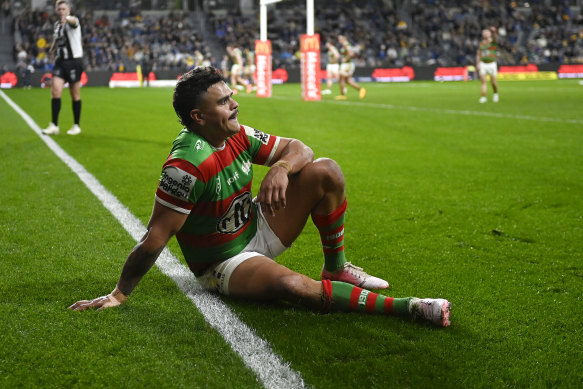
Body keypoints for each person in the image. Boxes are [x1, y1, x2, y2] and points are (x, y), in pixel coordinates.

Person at [68, 66, 451, 327]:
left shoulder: (237, 133)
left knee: (326, 171)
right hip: (224, 262)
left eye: (231, 96)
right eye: (223, 102)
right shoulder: (185, 166)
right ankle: (412, 309)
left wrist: (281, 169)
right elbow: (154, 239)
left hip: (258, 223)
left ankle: (336, 266)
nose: (234, 104)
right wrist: (119, 294)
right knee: (292, 287)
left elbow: (300, 148)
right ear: (198, 117)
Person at [42, 0, 84, 136]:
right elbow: (56, 38)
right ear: (56, 10)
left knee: (75, 94)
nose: (61, 11)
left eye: (64, 9)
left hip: (74, 61)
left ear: (69, 10)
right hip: (60, 62)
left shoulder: (73, 21)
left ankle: (76, 125)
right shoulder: (56, 25)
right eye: (59, 9)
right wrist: (52, 49)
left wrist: (68, 18)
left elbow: (73, 22)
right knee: (55, 91)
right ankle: (54, 125)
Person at [335, 35, 366, 100]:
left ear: (343, 39)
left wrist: (345, 59)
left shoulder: (346, 44)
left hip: (346, 64)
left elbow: (351, 54)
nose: (339, 41)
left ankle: (342, 95)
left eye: (340, 39)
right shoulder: (345, 45)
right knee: (348, 80)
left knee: (341, 79)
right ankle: (361, 89)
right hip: (348, 64)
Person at [476, 27, 499, 104]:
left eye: (487, 32)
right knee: (483, 81)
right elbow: (478, 54)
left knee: (493, 82)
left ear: (490, 34)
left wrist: (494, 31)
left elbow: (495, 37)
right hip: (483, 63)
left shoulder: (493, 42)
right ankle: (483, 97)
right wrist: (478, 63)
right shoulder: (481, 43)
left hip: (491, 63)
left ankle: (495, 93)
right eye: (484, 32)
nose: (485, 33)